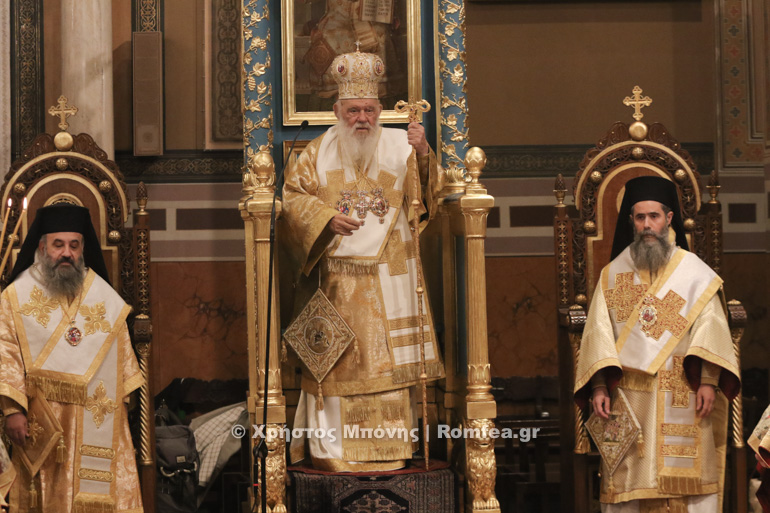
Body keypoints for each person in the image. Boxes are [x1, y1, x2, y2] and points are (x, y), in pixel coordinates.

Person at [283, 48, 443, 472]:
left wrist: (423, 154)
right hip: (338, 282)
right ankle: (334, 453)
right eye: (353, 110)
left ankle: (390, 451)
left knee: (388, 368)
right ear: (338, 110)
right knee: (340, 366)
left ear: (380, 110)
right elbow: (292, 200)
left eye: (370, 110)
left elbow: (431, 199)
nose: (362, 119)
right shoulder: (316, 152)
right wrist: (325, 218)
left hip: (393, 275)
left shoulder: (402, 145)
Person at [574, 176, 741, 512]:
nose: (647, 225)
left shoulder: (693, 273)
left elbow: (710, 328)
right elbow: (598, 334)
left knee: (686, 487)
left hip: (684, 392)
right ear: (631, 221)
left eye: (654, 216)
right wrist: (600, 386)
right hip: (629, 398)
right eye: (640, 217)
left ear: (668, 218)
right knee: (629, 487)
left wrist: (708, 381)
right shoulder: (612, 275)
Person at [0, 204, 143, 512]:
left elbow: (124, 366)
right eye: (58, 245)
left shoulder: (104, 298)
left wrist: (119, 412)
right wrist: (12, 410)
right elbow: (5, 352)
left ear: (82, 249)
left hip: (95, 415)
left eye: (74, 245)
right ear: (42, 248)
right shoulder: (16, 296)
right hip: (44, 420)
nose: (66, 253)